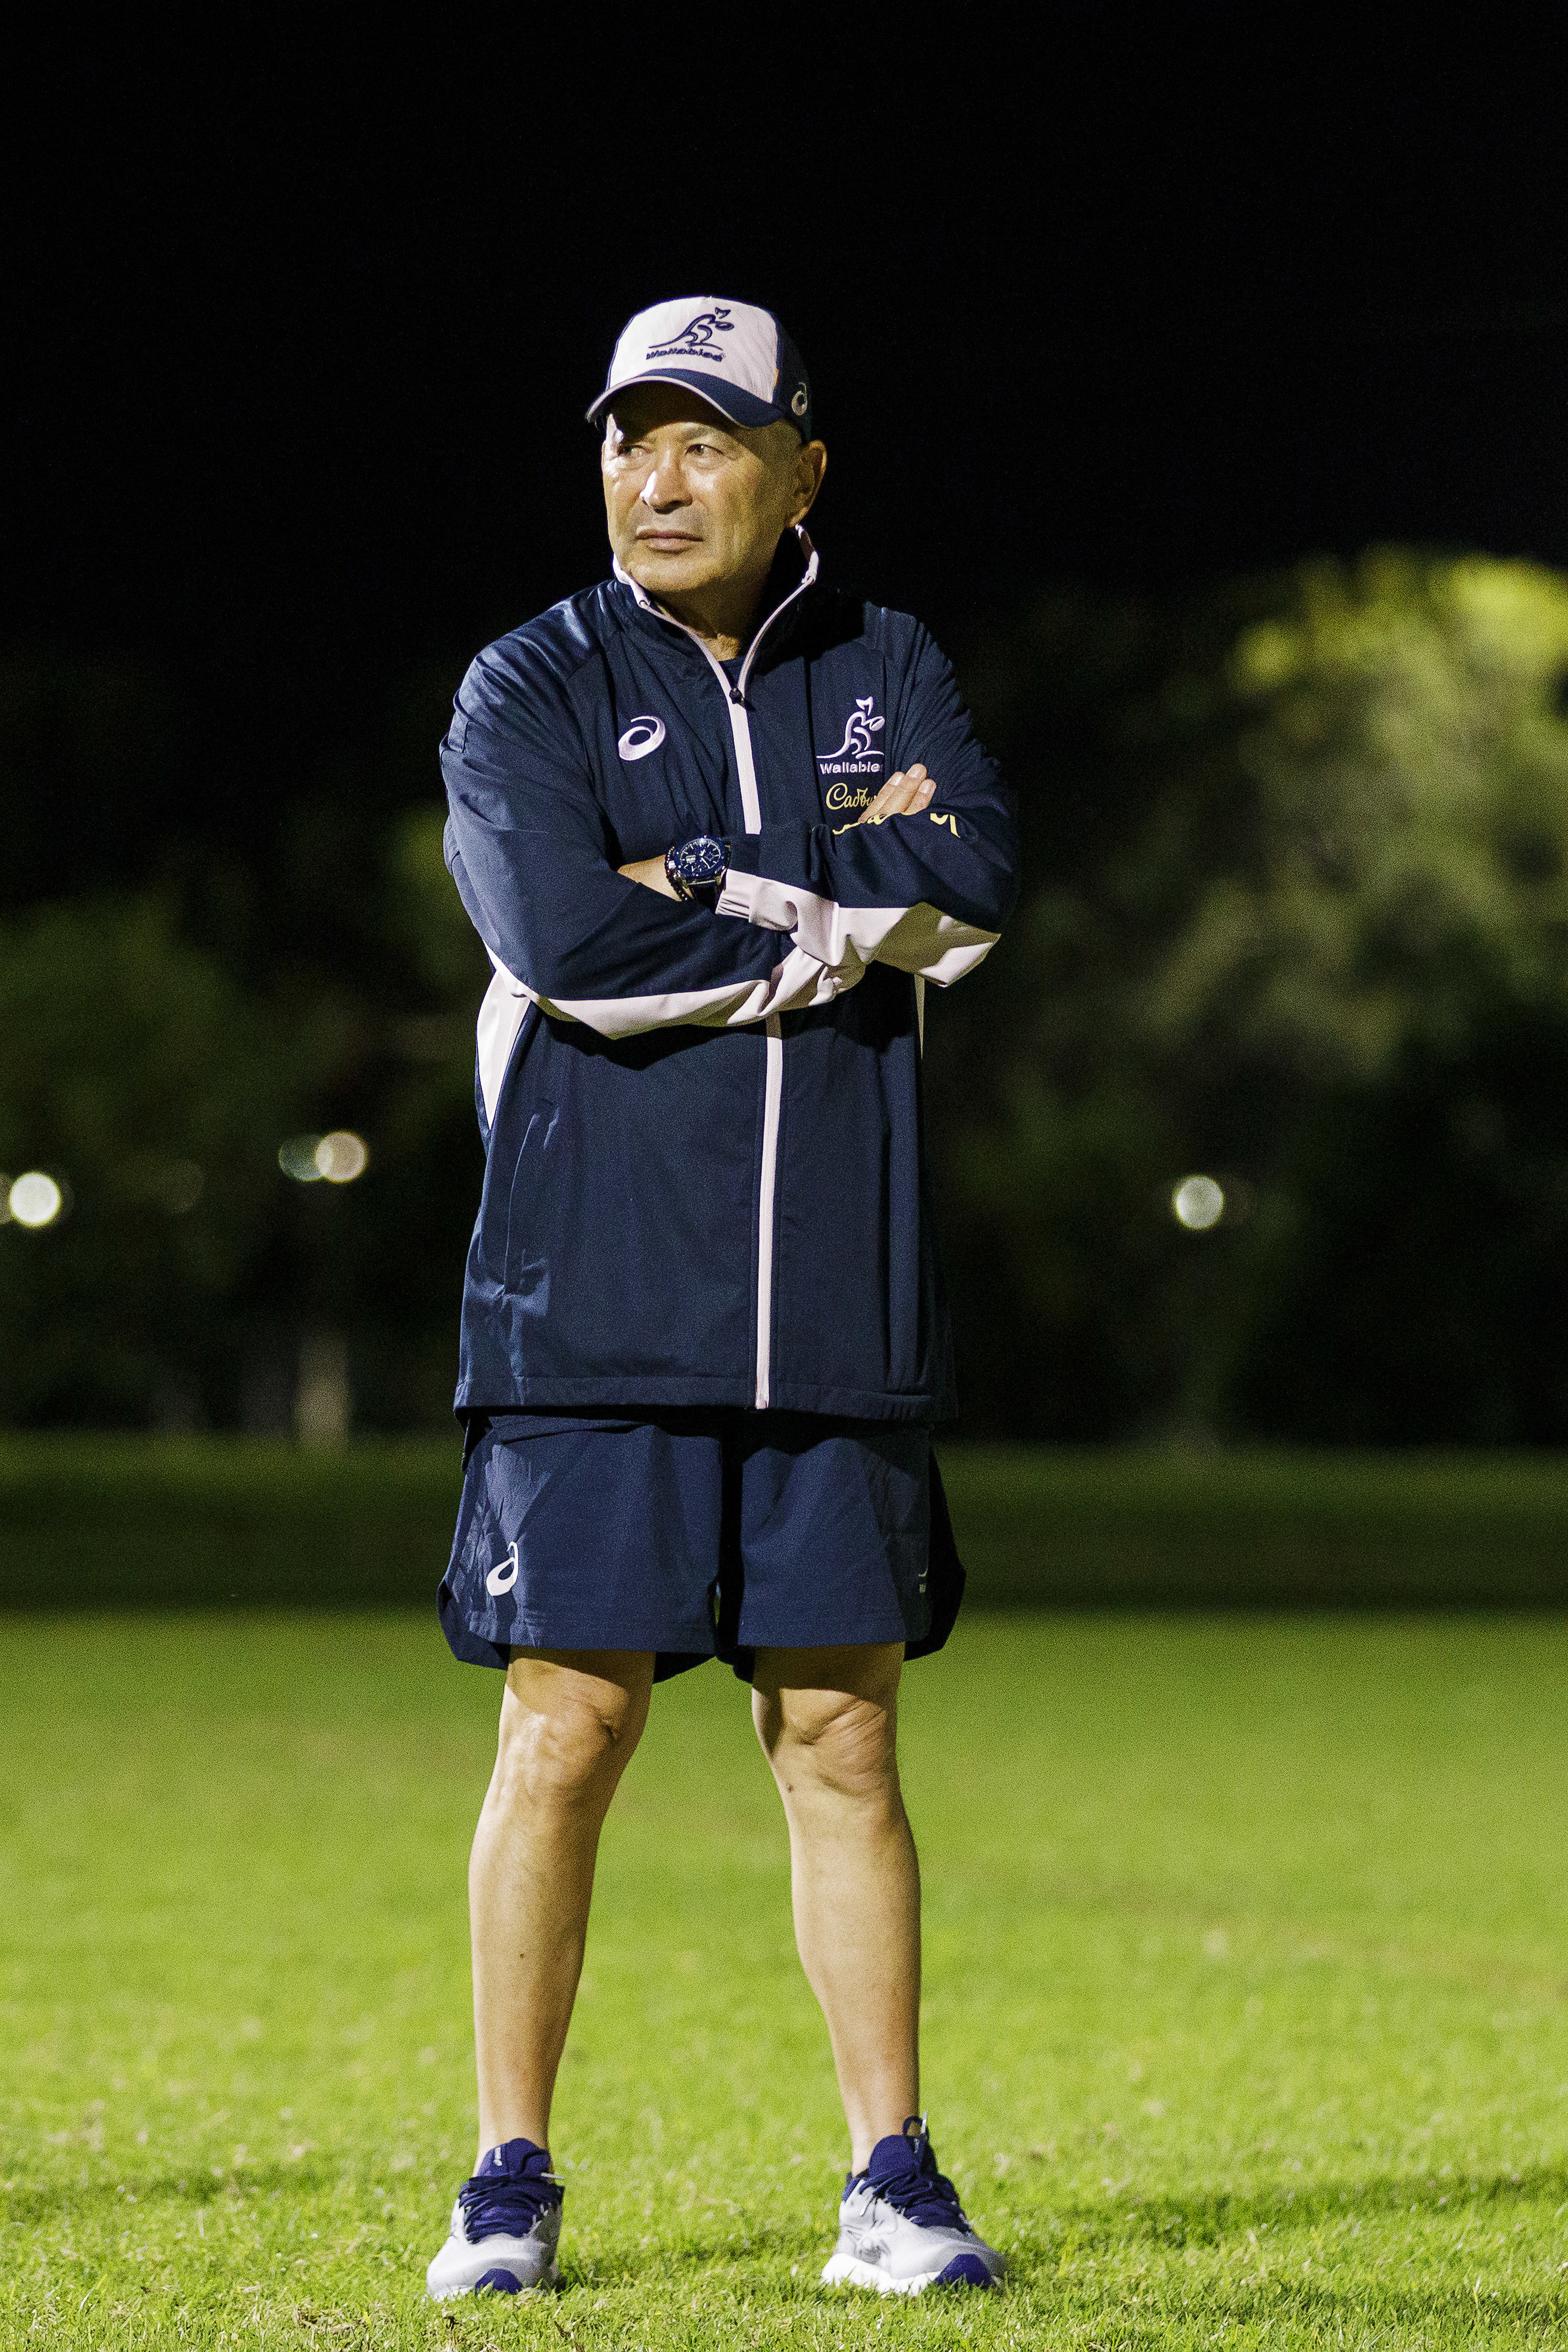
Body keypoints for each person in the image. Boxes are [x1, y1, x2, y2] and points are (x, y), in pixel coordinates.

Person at [423, 297, 1020, 2301]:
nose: (655, 480)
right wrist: (836, 896)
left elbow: (984, 877)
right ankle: (507, 2181)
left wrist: (723, 876)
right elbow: (570, 939)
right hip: (586, 1315)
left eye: (704, 440)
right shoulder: (530, 681)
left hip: (837, 1315)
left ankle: (891, 2185)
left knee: (843, 1743)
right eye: (626, 440)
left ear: (800, 468)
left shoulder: (891, 660)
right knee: (564, 1732)